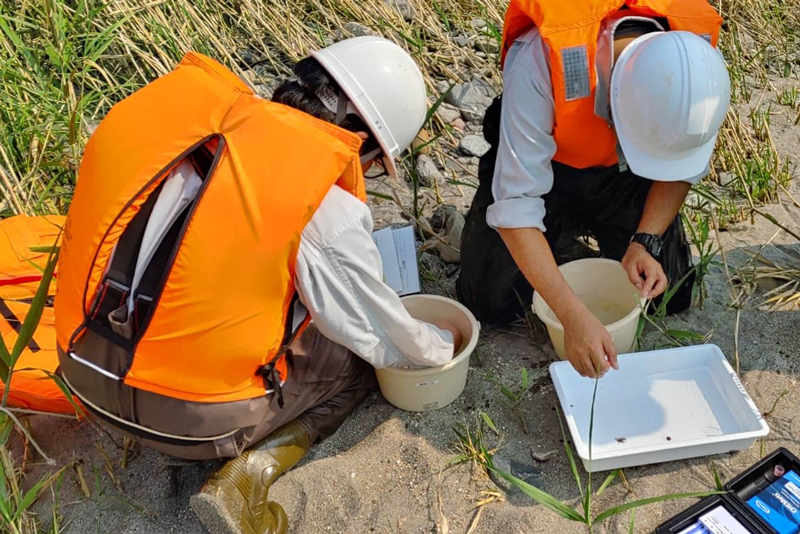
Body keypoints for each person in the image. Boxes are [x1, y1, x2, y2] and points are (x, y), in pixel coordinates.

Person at [457, 0, 730, 379]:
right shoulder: (539, 59)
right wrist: (572, 316)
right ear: (615, 106)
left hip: (620, 176)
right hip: (547, 168)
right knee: (490, 298)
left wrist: (645, 240)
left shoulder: (697, 73)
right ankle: (555, 246)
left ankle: (567, 252)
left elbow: (681, 164)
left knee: (668, 295)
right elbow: (517, 206)